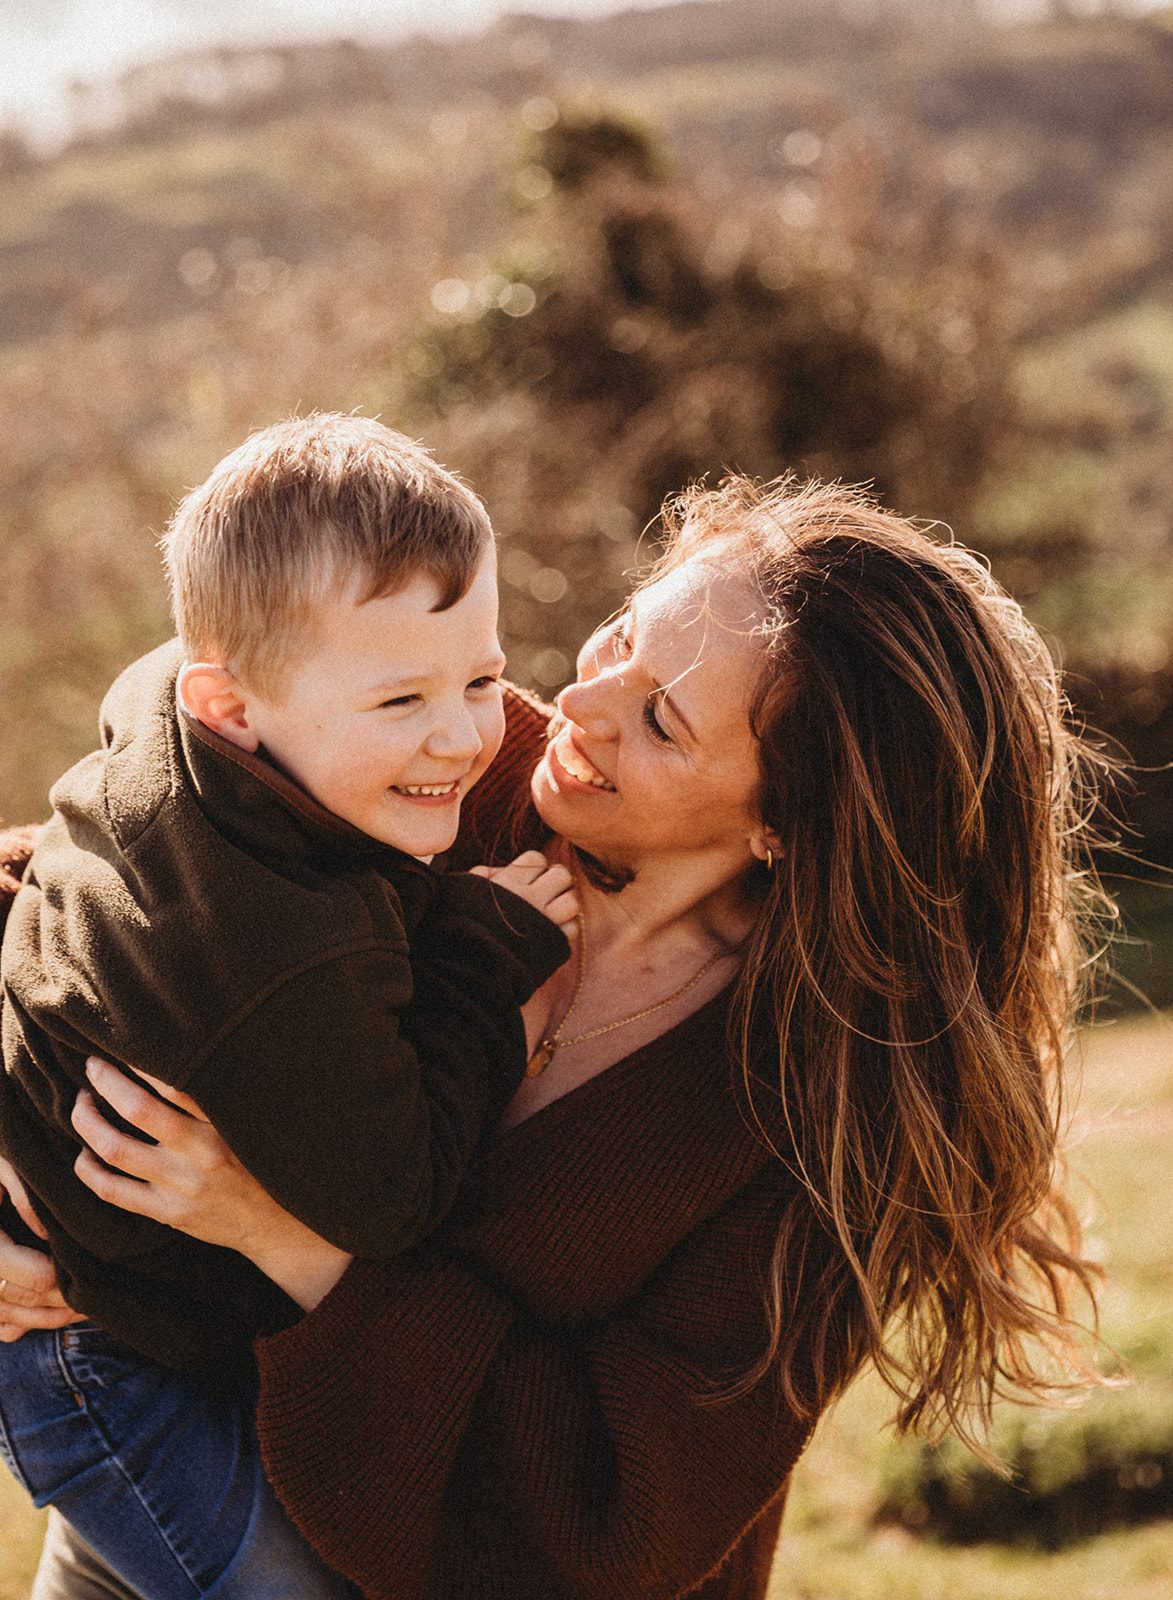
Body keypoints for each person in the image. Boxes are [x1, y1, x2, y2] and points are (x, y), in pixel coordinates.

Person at [0, 475, 1109, 1600]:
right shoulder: (444, 774)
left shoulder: (816, 1117)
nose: (583, 705)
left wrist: (275, 1229)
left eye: (662, 720)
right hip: (163, 1477)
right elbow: (94, 883)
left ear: (784, 822)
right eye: (621, 637)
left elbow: (610, 1528)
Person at [0, 414, 577, 1598]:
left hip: (145, 1310)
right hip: (98, 1364)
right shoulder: (282, 950)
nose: (466, 736)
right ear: (230, 703)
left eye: (483, 675)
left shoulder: (169, 707)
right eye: (399, 701)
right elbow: (391, 1193)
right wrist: (485, 953)